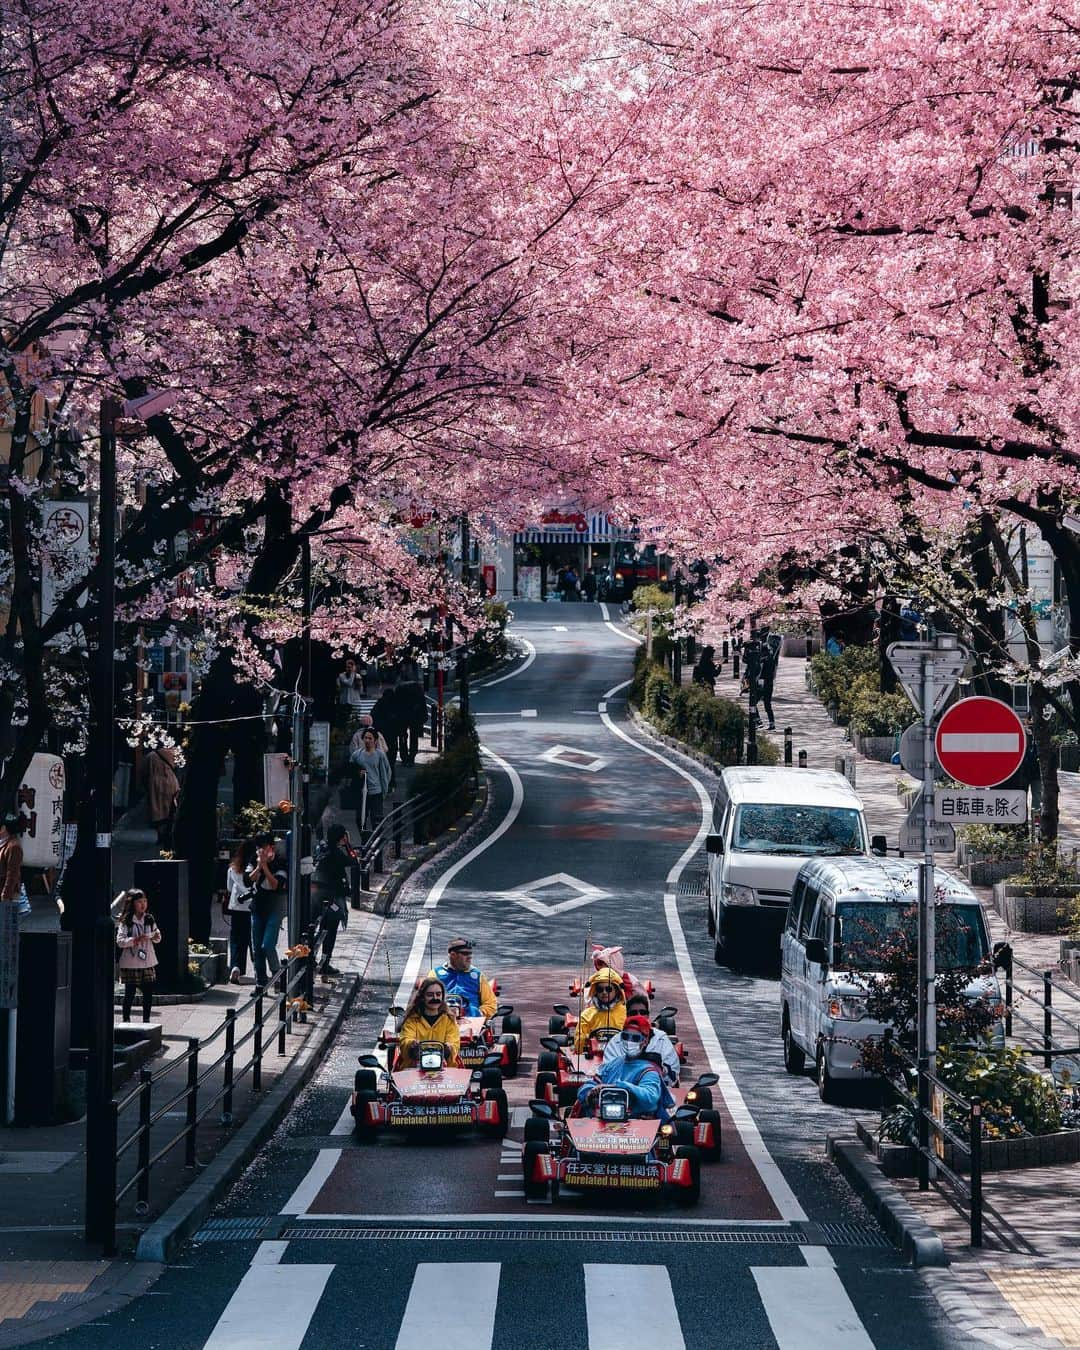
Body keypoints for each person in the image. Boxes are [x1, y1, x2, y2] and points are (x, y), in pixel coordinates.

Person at [576, 1016, 675, 1120]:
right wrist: (590, 1091)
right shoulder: (613, 1064)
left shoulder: (649, 1070)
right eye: (625, 1036)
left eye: (635, 1038)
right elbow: (589, 1084)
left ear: (645, 1041)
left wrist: (621, 1087)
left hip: (638, 1123)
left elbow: (650, 1098)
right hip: (604, 1119)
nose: (629, 1041)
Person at [603, 993, 681, 1086]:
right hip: (622, 1093)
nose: (639, 1015)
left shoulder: (661, 1039)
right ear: (627, 1016)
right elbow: (608, 1074)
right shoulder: (615, 1042)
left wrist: (661, 1070)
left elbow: (673, 1076)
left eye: (642, 1012)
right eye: (633, 1013)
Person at [245, 831, 286, 987]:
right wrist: (258, 866)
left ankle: (277, 976)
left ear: (271, 847)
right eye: (258, 848)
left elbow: (276, 884)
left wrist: (265, 867)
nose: (261, 851)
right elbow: (249, 880)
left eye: (264, 847)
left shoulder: (281, 862)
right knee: (257, 948)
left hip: (275, 907)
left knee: (267, 944)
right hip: (258, 906)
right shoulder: (253, 860)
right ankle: (260, 982)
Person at [311, 823, 353, 976]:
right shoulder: (337, 853)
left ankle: (311, 957)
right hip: (333, 898)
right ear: (341, 837)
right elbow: (353, 861)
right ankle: (324, 962)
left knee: (317, 928)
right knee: (330, 931)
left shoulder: (321, 848)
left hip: (316, 895)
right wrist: (348, 844)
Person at [116, 888, 161, 1023]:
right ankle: (126, 1020)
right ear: (133, 904)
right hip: (131, 962)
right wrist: (135, 940)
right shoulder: (126, 921)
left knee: (148, 992)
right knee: (130, 993)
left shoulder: (149, 918)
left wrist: (156, 936)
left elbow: (156, 936)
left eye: (145, 901)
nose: (143, 904)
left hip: (147, 961)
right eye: (140, 902)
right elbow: (120, 941)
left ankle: (146, 1020)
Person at [396, 977, 461, 1068]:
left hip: (445, 1070)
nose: (435, 998)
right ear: (422, 997)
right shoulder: (412, 1020)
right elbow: (405, 1040)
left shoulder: (449, 1020)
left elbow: (454, 1043)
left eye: (438, 994)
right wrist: (412, 1044)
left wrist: (448, 1048)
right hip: (414, 1069)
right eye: (430, 995)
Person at [429, 937, 497, 1018]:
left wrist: (478, 1014)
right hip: (443, 1019)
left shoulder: (477, 975)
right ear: (453, 955)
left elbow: (490, 1004)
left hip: (472, 1021)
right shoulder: (435, 974)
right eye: (465, 953)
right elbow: (426, 1000)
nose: (469, 957)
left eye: (470, 953)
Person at [349, 727, 392, 839]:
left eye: (370, 738)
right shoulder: (357, 755)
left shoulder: (380, 755)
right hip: (361, 792)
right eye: (365, 738)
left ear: (375, 741)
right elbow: (349, 770)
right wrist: (357, 773)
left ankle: (376, 841)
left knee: (376, 818)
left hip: (375, 792)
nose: (367, 740)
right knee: (360, 818)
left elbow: (386, 772)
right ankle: (364, 839)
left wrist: (384, 790)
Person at [574, 966, 626, 1051]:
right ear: (595, 991)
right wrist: (585, 1040)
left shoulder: (627, 1013)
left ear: (617, 990)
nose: (604, 992)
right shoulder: (586, 1015)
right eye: (600, 989)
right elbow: (579, 1047)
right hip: (593, 1059)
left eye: (608, 989)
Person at [223, 841, 254, 983]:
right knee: (251, 938)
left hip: (236, 906)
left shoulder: (233, 868)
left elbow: (229, 888)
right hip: (251, 906)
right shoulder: (254, 869)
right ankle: (256, 968)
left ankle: (236, 966)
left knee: (236, 938)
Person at [141, 743, 179, 847]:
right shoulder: (174, 753)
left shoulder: (150, 756)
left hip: (155, 785)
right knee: (171, 810)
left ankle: (160, 835)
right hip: (171, 783)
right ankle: (169, 834)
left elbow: (143, 772)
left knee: (157, 811)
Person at [395, 662, 427, 766]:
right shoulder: (417, 687)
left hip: (402, 715)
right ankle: (412, 756)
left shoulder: (399, 687)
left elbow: (395, 702)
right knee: (414, 736)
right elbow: (422, 701)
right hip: (414, 715)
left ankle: (404, 757)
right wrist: (423, 714)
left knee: (402, 736)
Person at [371, 681, 401, 774]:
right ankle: (391, 778)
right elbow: (400, 719)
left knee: (381, 754)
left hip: (381, 734)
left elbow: (373, 716)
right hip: (392, 734)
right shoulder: (396, 704)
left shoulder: (380, 703)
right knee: (392, 756)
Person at [758, 627, 782, 731]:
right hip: (769, 682)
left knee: (754, 702)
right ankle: (771, 723)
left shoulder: (765, 659)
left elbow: (761, 671)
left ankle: (757, 721)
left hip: (763, 682)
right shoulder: (772, 658)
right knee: (767, 703)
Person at [0, 812, 25, 905]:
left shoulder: (14, 846)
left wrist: (5, 895)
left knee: (7, 918)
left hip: (8, 896)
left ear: (3, 828)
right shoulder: (3, 843)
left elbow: (12, 874)